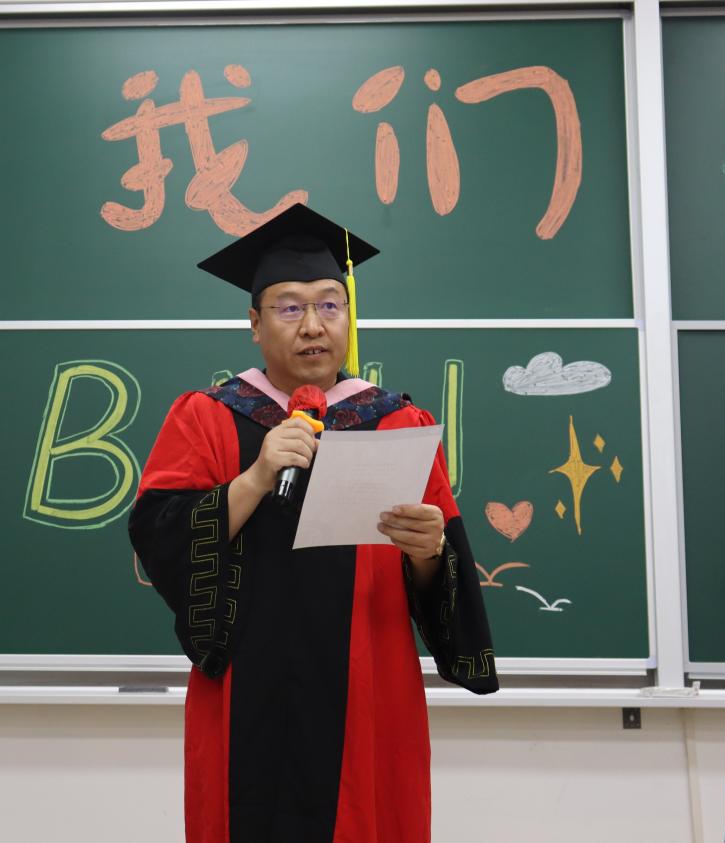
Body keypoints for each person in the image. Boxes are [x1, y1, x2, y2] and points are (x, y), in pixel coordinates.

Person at [127, 203, 497, 843]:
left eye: (330, 304)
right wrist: (253, 478)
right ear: (254, 323)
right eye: (289, 307)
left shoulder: (397, 424)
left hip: (368, 685)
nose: (313, 325)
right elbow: (159, 542)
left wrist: (428, 552)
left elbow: (446, 574)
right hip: (248, 689)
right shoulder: (207, 418)